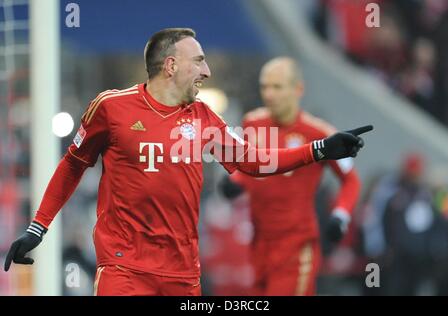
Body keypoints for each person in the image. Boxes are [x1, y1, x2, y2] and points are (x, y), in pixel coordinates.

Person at [4, 28, 372, 296]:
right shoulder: (111, 108)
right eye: (198, 61)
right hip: (125, 266)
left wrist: (320, 149)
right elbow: (73, 164)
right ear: (170, 65)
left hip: (183, 272)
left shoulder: (203, 118)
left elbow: (253, 161)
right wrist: (38, 227)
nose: (207, 71)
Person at [220, 57, 362, 295]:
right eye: (264, 86)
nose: (269, 94)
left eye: (277, 87)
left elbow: (351, 180)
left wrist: (340, 215)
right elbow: (253, 167)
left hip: (296, 246)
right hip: (259, 243)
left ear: (298, 89)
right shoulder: (253, 123)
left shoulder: (320, 134)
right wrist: (236, 181)